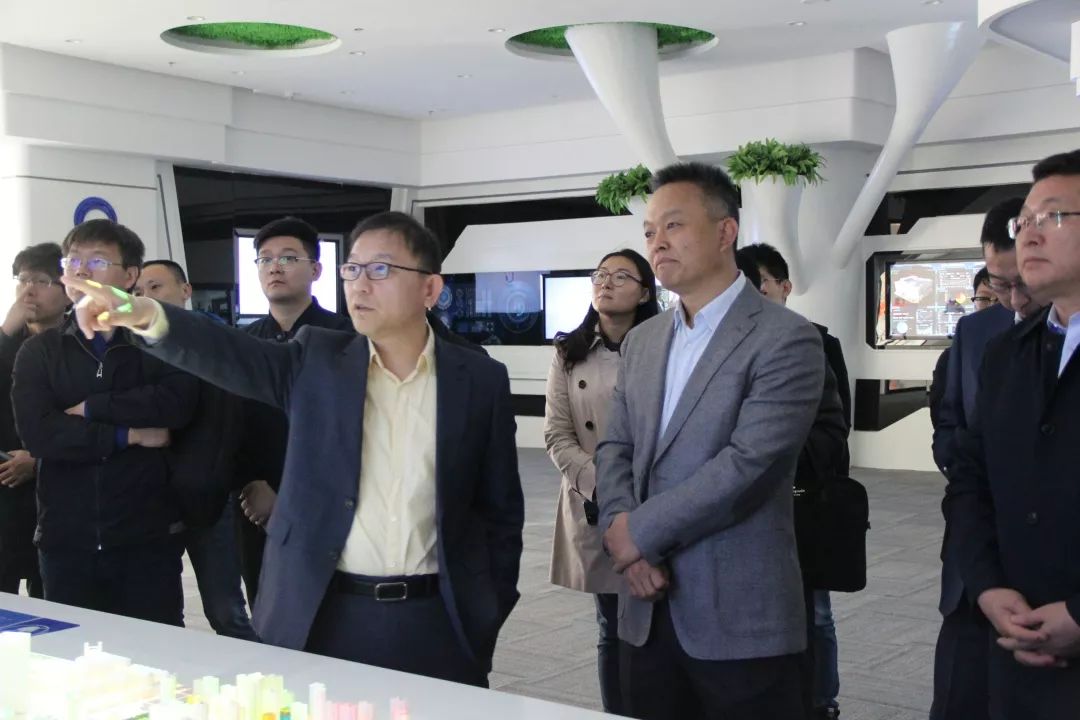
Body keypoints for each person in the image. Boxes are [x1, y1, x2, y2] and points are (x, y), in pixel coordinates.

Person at [63, 210, 525, 687]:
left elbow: (500, 508)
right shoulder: (317, 361)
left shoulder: (478, 379)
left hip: (436, 618)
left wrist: (486, 607)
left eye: (380, 269)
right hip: (326, 613)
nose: (360, 284)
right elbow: (227, 352)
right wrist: (143, 314)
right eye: (352, 269)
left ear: (429, 288)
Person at [596, 162, 824, 719]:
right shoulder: (644, 341)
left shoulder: (785, 338)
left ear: (726, 232)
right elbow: (615, 448)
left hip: (739, 616)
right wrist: (623, 532)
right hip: (645, 609)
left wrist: (638, 534)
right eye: (649, 231)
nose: (657, 242)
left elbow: (749, 467)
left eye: (673, 225)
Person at [11, 220, 197, 625]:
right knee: (71, 653)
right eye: (72, 261)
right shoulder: (40, 351)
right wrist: (129, 434)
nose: (80, 271)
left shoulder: (156, 342)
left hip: (147, 536)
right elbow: (40, 434)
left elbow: (176, 404)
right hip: (66, 538)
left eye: (96, 261)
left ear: (129, 276)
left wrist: (92, 408)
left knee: (156, 650)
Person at [948, 149, 1080, 717]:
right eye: (1023, 221)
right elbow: (971, 478)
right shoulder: (1007, 352)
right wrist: (987, 587)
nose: (1029, 233)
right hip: (1014, 644)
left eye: (1054, 216)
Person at [929, 197, 1038, 720]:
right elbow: (951, 420)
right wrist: (967, 465)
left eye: (1023, 283)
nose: (1015, 300)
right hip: (972, 568)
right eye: (999, 284)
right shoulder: (975, 333)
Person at [544, 249, 659, 714]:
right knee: (611, 625)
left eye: (621, 276)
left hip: (655, 500)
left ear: (645, 293)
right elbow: (557, 434)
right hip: (594, 502)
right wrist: (604, 488)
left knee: (659, 620)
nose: (606, 282)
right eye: (600, 274)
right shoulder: (568, 352)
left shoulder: (663, 346)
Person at [737, 242, 849, 720]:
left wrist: (773, 455)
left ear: (783, 287)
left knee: (814, 611)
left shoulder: (815, 342)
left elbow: (834, 431)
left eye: (759, 284)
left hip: (801, 502)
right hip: (737, 514)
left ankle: (822, 701)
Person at [232, 217, 353, 605]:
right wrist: (251, 484)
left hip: (328, 505)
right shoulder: (243, 344)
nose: (274, 268)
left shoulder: (347, 339)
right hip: (255, 505)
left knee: (330, 613)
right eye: (265, 259)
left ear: (316, 270)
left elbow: (348, 430)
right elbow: (230, 427)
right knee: (265, 609)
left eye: (287, 258)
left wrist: (293, 497)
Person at [133, 260, 257, 640]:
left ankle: (255, 672)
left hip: (210, 496)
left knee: (225, 610)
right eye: (139, 291)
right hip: (151, 499)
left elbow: (240, 425)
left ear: (186, 291)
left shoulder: (220, 346)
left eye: (156, 287)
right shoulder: (133, 348)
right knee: (161, 611)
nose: (146, 297)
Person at [0, 244, 70, 597]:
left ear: (67, 292)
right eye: (23, 280)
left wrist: (39, 458)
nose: (29, 291)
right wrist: (4, 332)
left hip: (58, 496)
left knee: (52, 600)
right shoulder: (7, 342)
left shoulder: (79, 345)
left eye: (41, 281)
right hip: (5, 493)